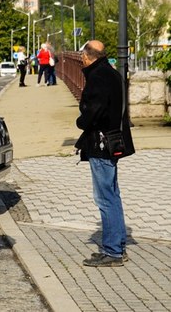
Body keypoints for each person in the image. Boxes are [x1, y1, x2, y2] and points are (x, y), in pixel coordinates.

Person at [75, 40, 135, 267]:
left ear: (87, 57)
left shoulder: (97, 77)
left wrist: (81, 121)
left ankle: (112, 251)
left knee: (105, 198)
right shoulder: (112, 74)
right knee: (113, 195)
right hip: (113, 141)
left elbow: (93, 110)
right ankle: (117, 246)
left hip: (101, 144)